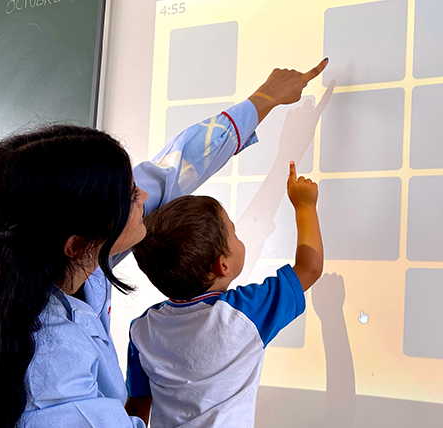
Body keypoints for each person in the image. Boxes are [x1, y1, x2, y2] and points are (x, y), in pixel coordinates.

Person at [0, 59, 328, 428]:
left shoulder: (40, 253)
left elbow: (174, 168)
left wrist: (262, 100)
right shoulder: (50, 376)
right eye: (130, 198)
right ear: (80, 245)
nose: (144, 196)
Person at [123, 161, 323, 428]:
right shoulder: (244, 314)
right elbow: (310, 268)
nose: (238, 236)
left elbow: (136, 408)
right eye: (234, 232)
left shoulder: (143, 330)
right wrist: (305, 206)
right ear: (222, 265)